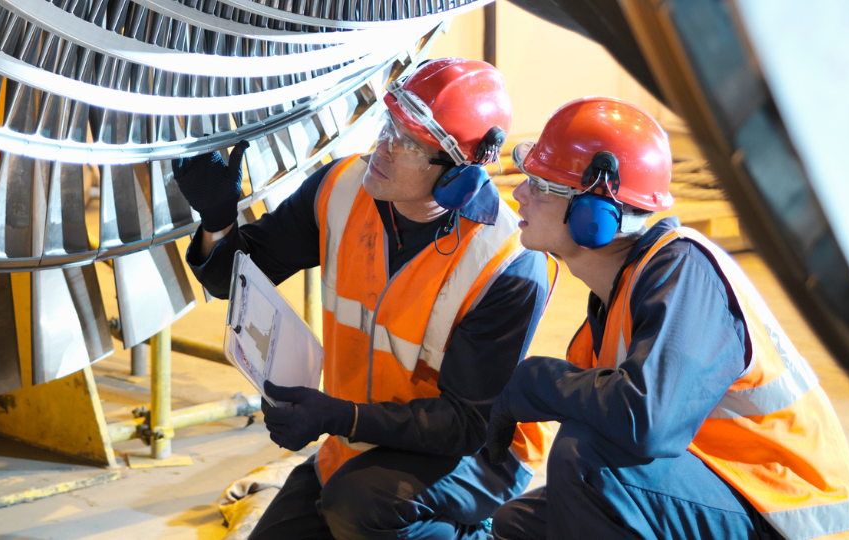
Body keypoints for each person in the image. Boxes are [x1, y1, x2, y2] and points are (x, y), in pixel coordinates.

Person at [173, 58, 560, 540]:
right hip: (363, 441)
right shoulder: (342, 188)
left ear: (456, 175)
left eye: (407, 143)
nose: (382, 147)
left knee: (358, 509)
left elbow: (464, 425)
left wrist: (336, 415)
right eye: (388, 126)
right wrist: (216, 220)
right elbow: (241, 279)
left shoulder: (507, 262)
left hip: (474, 458)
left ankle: (471, 532)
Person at [481, 97, 849, 540]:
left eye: (542, 185)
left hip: (785, 514)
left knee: (584, 460)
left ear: (594, 215)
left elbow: (646, 422)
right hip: (729, 495)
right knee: (520, 526)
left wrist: (537, 381)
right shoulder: (610, 311)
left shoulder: (686, 273)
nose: (519, 192)